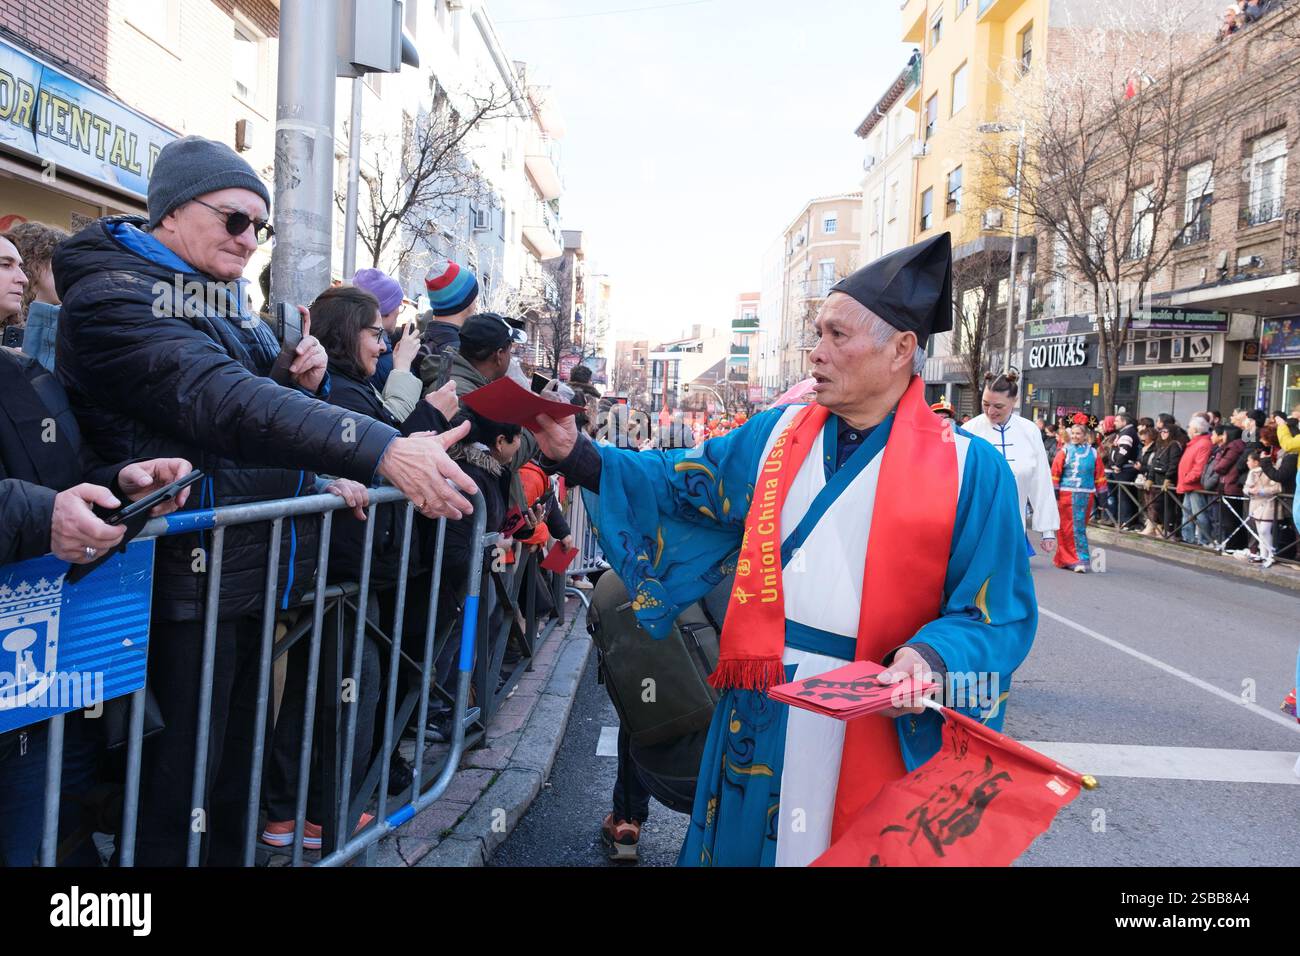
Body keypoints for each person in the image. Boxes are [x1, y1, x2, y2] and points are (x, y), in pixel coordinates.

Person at [531, 233, 1037, 867]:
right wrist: (578, 456)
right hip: (762, 699)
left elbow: (998, 611)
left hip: (872, 711)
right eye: (816, 334)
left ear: (902, 349)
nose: (815, 353)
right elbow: (686, 483)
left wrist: (931, 655)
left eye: (836, 336)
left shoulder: (971, 469)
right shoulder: (778, 434)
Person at [52, 135, 477, 866]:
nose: (250, 240)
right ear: (172, 212)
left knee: (229, 791)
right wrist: (378, 447)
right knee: (174, 794)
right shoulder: (112, 297)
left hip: (243, 572)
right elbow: (222, 401)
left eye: (261, 227)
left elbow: (249, 410)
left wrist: (296, 384)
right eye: (234, 220)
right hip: (171, 586)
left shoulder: (212, 298)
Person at [0, 345, 192, 866]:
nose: (18, 274)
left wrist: (118, 485)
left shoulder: (20, 370)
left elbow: (56, 480)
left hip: (38, 670)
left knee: (45, 831)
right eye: (1, 263)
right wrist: (38, 516)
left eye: (18, 260)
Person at [963, 370, 1059, 556]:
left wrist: (1047, 530)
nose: (991, 411)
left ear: (1014, 401)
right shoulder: (969, 430)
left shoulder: (1029, 431)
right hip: (975, 526)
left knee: (1010, 579)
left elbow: (1040, 480)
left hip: (1015, 524)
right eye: (985, 404)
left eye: (998, 406)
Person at [3, 222, 69, 371]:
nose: (68, 275)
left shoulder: (69, 325)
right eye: (59, 266)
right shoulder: (7, 317)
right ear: (32, 266)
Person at [1051, 420, 1107, 572]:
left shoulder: (1093, 453)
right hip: (1066, 495)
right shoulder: (1065, 451)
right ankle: (1076, 559)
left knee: (1079, 527)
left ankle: (1071, 558)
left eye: (1078, 433)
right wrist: (1054, 495)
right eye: (1073, 433)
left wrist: (1102, 497)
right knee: (1066, 528)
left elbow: (1100, 476)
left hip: (1085, 495)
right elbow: (1055, 474)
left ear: (1085, 436)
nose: (1075, 436)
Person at [419, 257, 480, 359]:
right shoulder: (461, 353)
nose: (476, 303)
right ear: (465, 302)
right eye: (474, 297)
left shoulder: (418, 343)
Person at [1177, 415, 1214, 546]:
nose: (1188, 430)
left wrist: (1187, 478)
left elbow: (1199, 467)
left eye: (1189, 428)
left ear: (1196, 430)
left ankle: (1203, 539)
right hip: (1189, 483)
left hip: (1194, 484)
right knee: (1187, 512)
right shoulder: (1196, 443)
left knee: (1199, 513)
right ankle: (1188, 537)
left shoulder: (1203, 443)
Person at [1211, 425, 1248, 551]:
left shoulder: (1233, 447)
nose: (1223, 437)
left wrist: (1218, 457)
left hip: (1231, 485)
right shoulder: (1239, 446)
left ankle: (1233, 547)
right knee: (1234, 519)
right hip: (1232, 485)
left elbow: (1220, 467)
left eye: (1225, 434)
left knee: (1230, 520)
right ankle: (1235, 545)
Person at [1244, 449, 1282, 568]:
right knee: (1260, 531)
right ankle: (1264, 554)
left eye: (1249, 460)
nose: (1247, 462)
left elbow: (1277, 488)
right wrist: (1249, 491)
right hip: (1255, 504)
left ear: (1256, 462)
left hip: (1268, 503)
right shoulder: (1251, 473)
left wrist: (1261, 491)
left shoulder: (1270, 471)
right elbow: (1245, 488)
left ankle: (1271, 554)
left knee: (1265, 530)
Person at [1105, 413, 1142, 529]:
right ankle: (1124, 520)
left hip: (1124, 469)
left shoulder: (1127, 434)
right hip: (1122, 468)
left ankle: (1127, 520)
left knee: (1125, 496)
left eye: (1117, 421)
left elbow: (1124, 451)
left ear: (1124, 422)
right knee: (1123, 495)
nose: (1114, 423)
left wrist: (1118, 464)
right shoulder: (1124, 433)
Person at [1149, 420, 1184, 537]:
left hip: (1166, 478)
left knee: (1167, 504)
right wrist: (1150, 477)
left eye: (1166, 431)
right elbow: (1154, 463)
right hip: (1157, 477)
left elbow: (1174, 463)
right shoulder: (1161, 445)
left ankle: (1168, 528)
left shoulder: (1174, 445)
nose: (1163, 433)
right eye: (1161, 431)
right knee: (1157, 504)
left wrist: (1168, 478)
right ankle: (1160, 525)